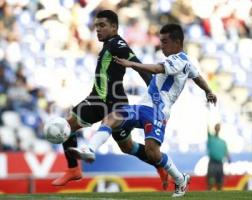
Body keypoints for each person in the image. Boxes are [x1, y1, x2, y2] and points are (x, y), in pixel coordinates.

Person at [68, 24, 217, 197]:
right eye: (161, 41)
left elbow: (156, 69)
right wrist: (209, 91)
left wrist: (131, 64)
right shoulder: (187, 63)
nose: (161, 45)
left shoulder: (178, 60)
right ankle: (90, 149)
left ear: (177, 42)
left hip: (157, 112)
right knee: (111, 117)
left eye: (165, 41)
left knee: (152, 153)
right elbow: (197, 77)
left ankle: (181, 179)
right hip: (142, 107)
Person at [52, 10, 170, 188]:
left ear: (114, 27)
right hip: (99, 100)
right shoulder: (108, 44)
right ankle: (73, 169)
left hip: (112, 101)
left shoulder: (118, 44)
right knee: (68, 126)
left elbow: (139, 66)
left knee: (127, 147)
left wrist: (155, 95)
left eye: (102, 26)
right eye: (96, 26)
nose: (97, 29)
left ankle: (159, 163)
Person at [206, 123, 230, 191]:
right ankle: (209, 194)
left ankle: (219, 194)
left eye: (218, 127)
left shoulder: (223, 142)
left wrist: (229, 159)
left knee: (220, 182)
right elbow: (207, 129)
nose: (217, 128)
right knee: (211, 181)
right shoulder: (211, 138)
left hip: (220, 163)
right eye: (217, 127)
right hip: (212, 162)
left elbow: (226, 152)